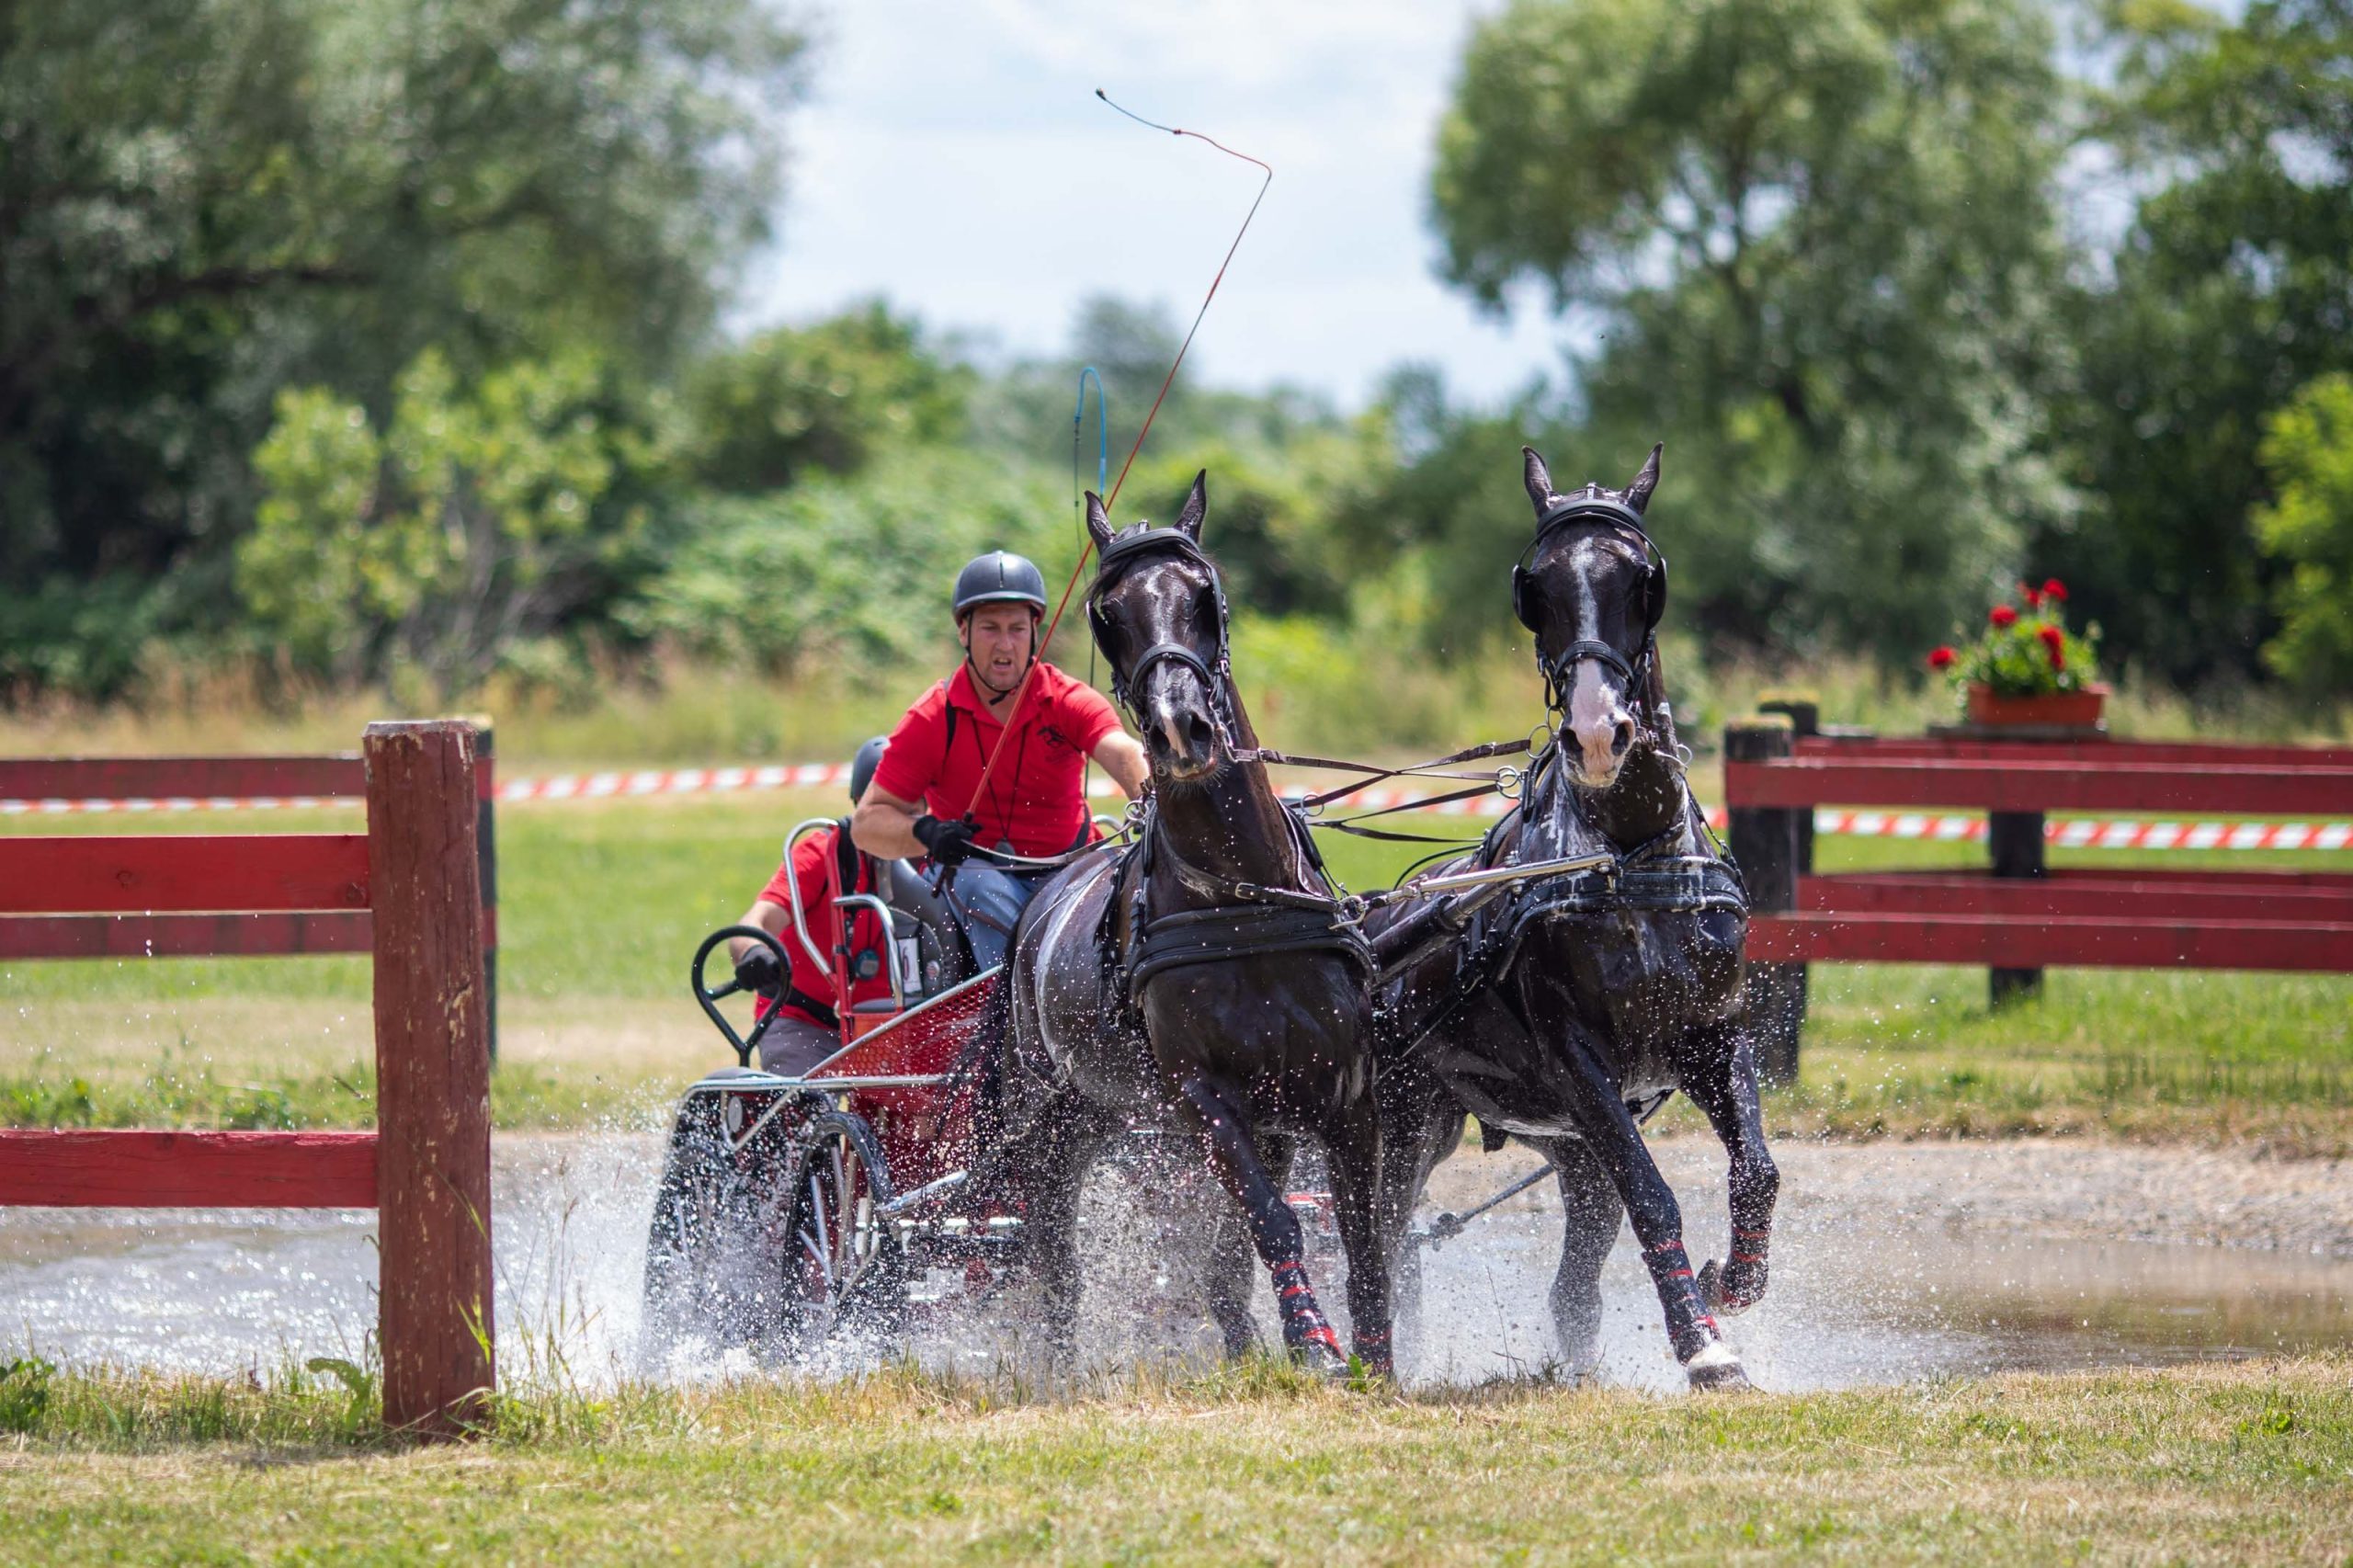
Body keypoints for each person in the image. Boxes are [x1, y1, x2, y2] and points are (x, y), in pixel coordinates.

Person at [853, 550, 1149, 969]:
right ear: (963, 631)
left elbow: (1122, 751)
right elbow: (867, 825)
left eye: (1016, 629)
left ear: (1035, 632)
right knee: (982, 884)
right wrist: (928, 833)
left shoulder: (1067, 699)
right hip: (974, 877)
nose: (1005, 644)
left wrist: (1152, 799)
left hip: (1068, 869)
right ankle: (1015, 1015)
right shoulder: (933, 717)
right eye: (990, 628)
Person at [727, 736, 895, 1076]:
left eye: (909, 806)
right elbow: (756, 922)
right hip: (803, 1020)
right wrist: (754, 954)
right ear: (858, 803)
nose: (894, 820)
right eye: (882, 806)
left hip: (889, 1028)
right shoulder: (822, 854)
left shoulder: (935, 867)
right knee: (806, 1117)